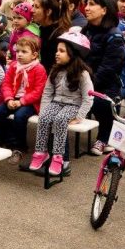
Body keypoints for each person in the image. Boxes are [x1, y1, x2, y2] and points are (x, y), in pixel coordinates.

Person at [28, 29, 94, 175]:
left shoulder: (82, 74)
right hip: (56, 102)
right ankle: (41, 152)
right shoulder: (55, 70)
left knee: (60, 119)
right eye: (57, 50)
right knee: (44, 118)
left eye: (62, 51)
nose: (57, 53)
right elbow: (47, 92)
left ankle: (58, 157)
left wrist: (79, 116)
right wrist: (44, 111)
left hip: (73, 105)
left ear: (72, 54)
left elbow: (88, 97)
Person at [82, 0, 125, 155]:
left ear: (104, 10)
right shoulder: (86, 30)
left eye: (92, 4)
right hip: (87, 80)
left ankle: (105, 138)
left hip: (106, 84)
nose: (87, 8)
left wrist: (87, 85)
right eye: (87, 4)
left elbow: (108, 69)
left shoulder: (115, 36)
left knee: (102, 103)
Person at [0, 36, 46, 164]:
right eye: (17, 51)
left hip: (30, 102)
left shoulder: (39, 69)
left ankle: (19, 147)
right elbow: (6, 84)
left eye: (24, 52)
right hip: (13, 98)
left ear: (34, 55)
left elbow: (38, 91)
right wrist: (9, 99)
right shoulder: (14, 66)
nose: (19, 54)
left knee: (20, 116)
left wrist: (21, 101)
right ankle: (0, 141)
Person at [33, 0, 72, 71]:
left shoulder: (58, 35)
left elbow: (52, 65)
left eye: (36, 7)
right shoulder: (43, 29)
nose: (32, 10)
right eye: (33, 6)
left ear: (48, 12)